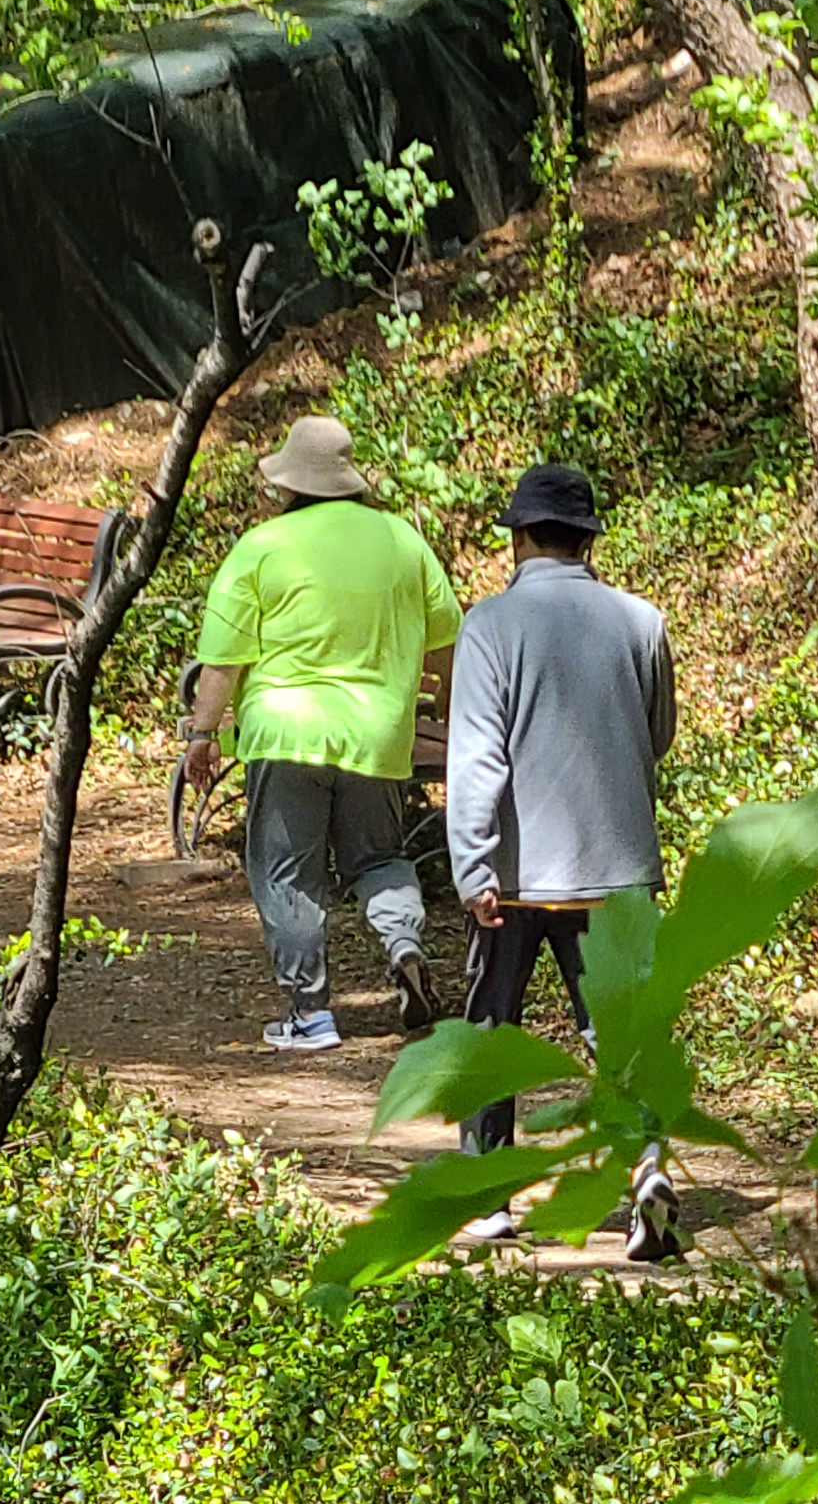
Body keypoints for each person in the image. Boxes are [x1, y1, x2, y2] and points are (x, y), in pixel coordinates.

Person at [444, 462, 684, 1261]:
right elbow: (657, 734)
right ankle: (647, 1169)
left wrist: (472, 865)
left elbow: (478, 758)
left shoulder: (490, 625)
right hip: (618, 869)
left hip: (516, 874)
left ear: (518, 539)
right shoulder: (641, 621)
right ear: (589, 541)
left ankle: (490, 1197)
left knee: (492, 1029)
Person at [183, 415, 459, 1053]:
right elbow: (447, 641)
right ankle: (405, 948)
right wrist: (447, 714)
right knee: (379, 859)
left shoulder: (261, 547)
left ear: (289, 485)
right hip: (377, 738)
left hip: (285, 736)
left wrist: (201, 734)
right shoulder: (402, 540)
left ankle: (309, 1014)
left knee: (288, 873)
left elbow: (223, 661)